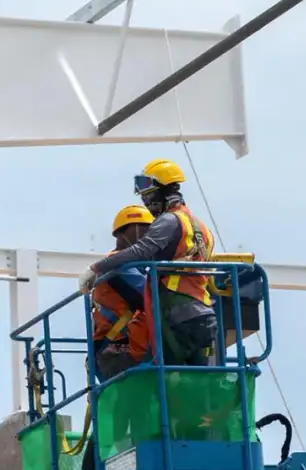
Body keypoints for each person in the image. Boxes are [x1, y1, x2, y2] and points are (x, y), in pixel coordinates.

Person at [78, 159, 218, 367]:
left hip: (175, 310)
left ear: (163, 189)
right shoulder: (203, 228)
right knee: (199, 380)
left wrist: (95, 268)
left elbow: (142, 250)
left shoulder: (170, 220)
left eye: (147, 191)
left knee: (166, 374)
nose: (144, 198)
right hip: (204, 312)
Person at [92, 205, 153, 380]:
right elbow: (150, 295)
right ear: (122, 233)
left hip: (125, 347)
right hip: (116, 349)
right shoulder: (118, 265)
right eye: (143, 230)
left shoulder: (139, 268)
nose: (148, 236)